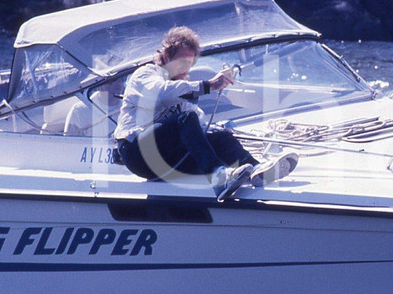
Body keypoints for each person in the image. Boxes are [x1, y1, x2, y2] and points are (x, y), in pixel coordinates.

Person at [113, 26, 297, 200]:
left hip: (165, 158)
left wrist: (219, 133)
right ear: (167, 56)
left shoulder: (182, 91)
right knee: (186, 118)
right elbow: (160, 93)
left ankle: (256, 169)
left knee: (219, 137)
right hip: (137, 154)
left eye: (190, 63)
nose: (186, 68)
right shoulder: (145, 74)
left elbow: (196, 125)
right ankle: (218, 177)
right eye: (182, 62)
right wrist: (209, 85)